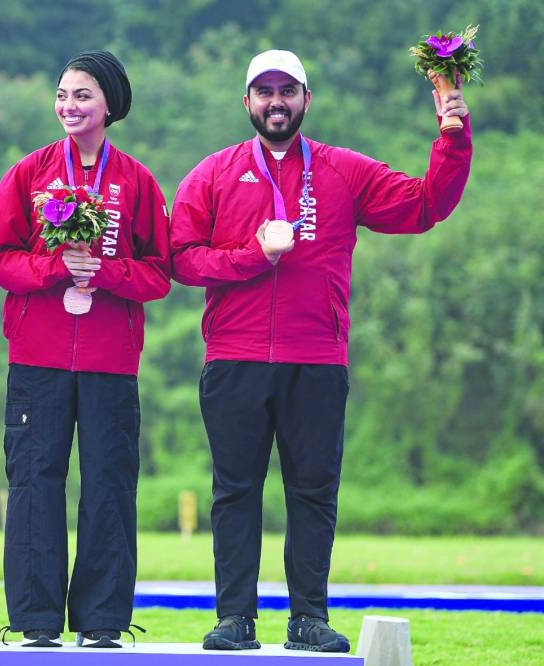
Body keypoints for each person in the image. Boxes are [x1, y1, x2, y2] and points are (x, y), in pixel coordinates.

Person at [170, 50, 472, 652]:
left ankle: (308, 617)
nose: (276, 101)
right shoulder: (213, 173)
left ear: (307, 99)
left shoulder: (342, 170)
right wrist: (252, 257)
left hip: (318, 357)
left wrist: (453, 137)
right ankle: (236, 620)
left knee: (313, 491)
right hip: (235, 356)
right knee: (235, 492)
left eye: (288, 90)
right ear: (247, 102)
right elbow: (181, 258)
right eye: (264, 91)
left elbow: (424, 206)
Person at [0, 50, 170, 649]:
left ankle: (103, 620)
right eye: (63, 94)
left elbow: (159, 274)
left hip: (110, 358)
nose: (70, 105)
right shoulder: (30, 172)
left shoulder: (137, 181)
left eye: (83, 95)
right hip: (36, 356)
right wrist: (53, 266)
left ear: (110, 104)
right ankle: (35, 620)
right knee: (34, 480)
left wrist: (108, 272)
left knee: (110, 482)